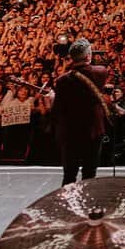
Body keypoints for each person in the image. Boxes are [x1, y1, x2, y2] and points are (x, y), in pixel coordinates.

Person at [50, 38, 110, 185]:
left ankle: (68, 205)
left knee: (69, 175)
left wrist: (52, 98)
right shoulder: (101, 72)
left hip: (70, 132)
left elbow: (57, 109)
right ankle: (87, 204)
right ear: (89, 56)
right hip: (93, 131)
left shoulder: (62, 80)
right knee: (89, 173)